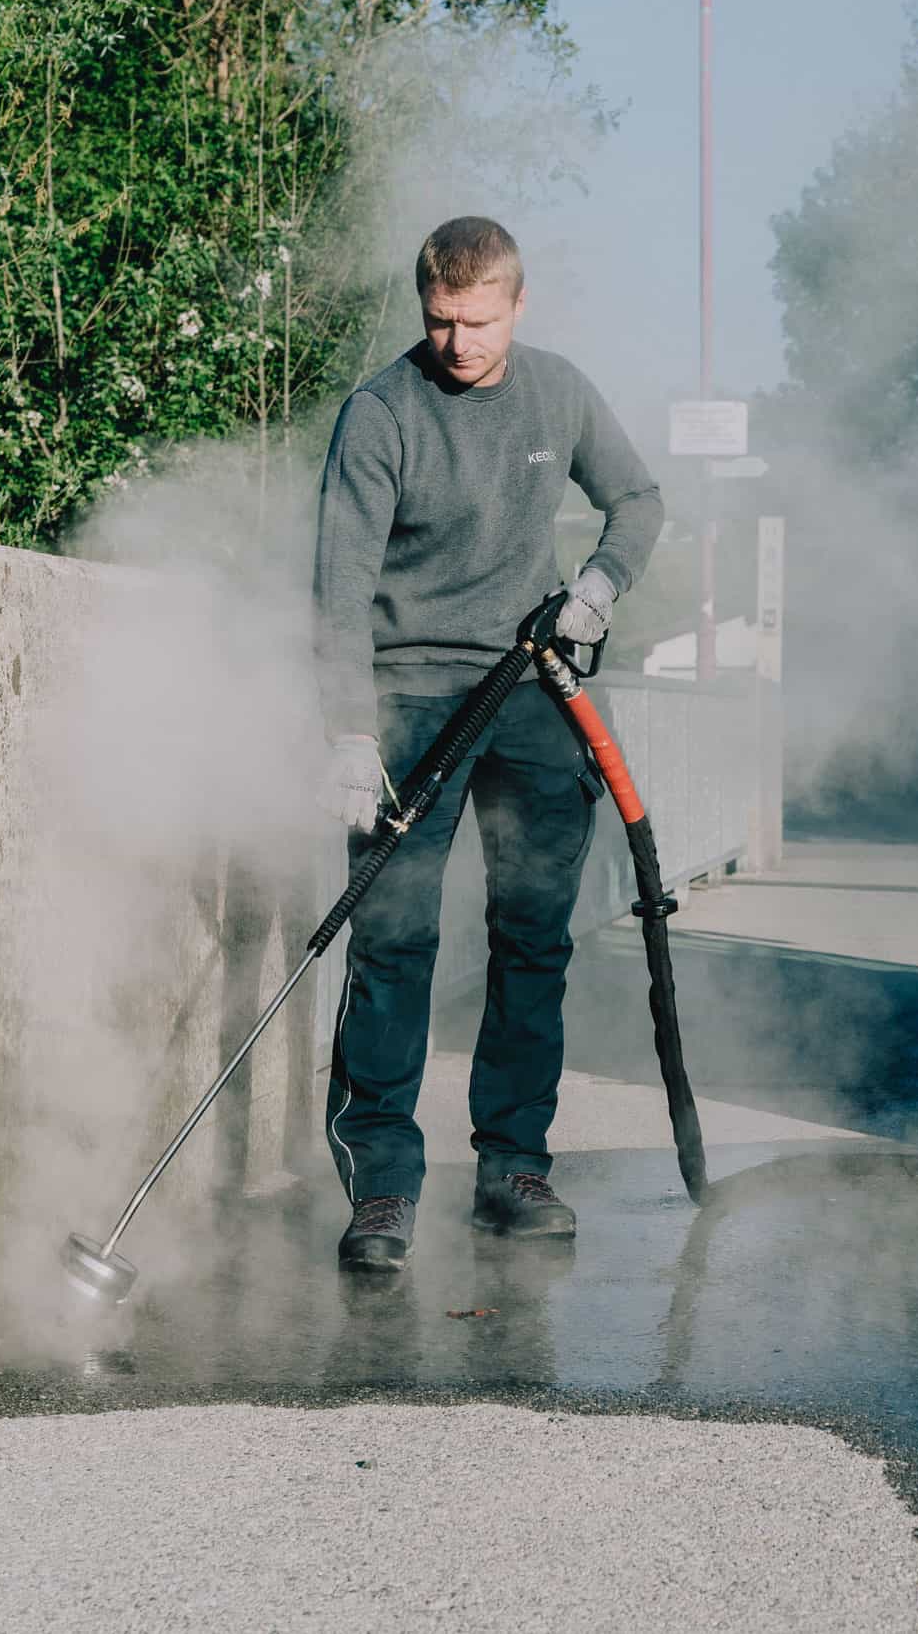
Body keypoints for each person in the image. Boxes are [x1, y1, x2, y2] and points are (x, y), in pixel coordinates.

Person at [312, 216, 663, 1273]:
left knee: (531, 938)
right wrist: (343, 730)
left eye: (476, 321)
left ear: (517, 302)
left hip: (530, 688)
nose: (458, 343)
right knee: (393, 945)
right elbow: (335, 590)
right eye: (439, 322)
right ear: (423, 306)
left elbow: (638, 501)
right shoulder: (381, 412)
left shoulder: (557, 392)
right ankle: (381, 1189)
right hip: (410, 697)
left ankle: (513, 1166)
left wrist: (600, 585)